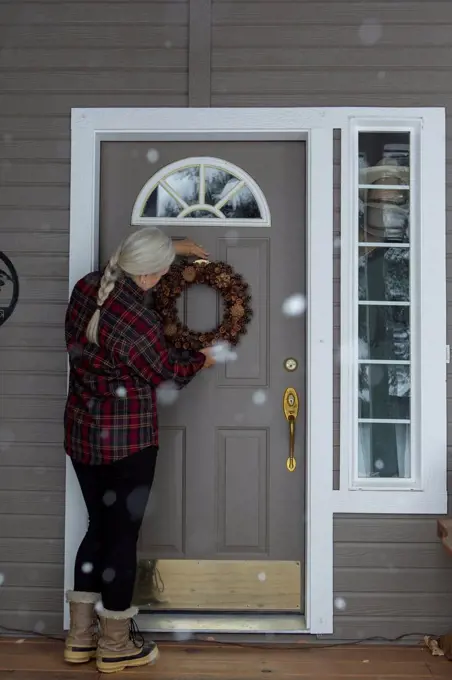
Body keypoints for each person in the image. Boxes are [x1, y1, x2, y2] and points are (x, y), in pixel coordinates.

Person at [63, 227, 215, 674]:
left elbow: (122, 263)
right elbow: (166, 373)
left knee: (98, 527)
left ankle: (79, 637)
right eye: (164, 271)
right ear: (149, 276)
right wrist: (202, 359)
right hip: (127, 440)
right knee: (122, 537)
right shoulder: (137, 320)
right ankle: (115, 645)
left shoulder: (87, 287)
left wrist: (176, 248)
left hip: (81, 432)